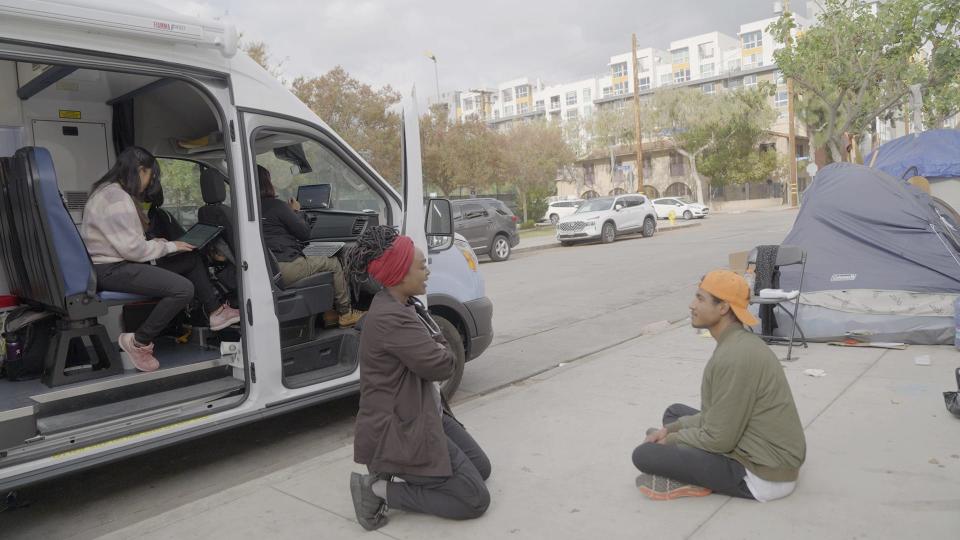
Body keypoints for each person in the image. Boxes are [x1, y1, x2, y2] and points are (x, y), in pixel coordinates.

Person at [345, 226, 491, 530]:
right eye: (421, 265)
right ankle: (376, 490)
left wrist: (437, 345)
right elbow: (442, 365)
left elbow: (438, 352)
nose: (427, 270)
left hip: (422, 413)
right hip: (400, 431)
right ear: (400, 274)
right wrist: (440, 345)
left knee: (481, 467)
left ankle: (397, 473)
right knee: (474, 498)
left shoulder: (404, 305)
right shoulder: (391, 317)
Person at [632, 269, 806, 502]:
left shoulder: (735, 356)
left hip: (764, 475)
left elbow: (719, 440)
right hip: (751, 442)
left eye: (700, 299)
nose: (692, 305)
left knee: (644, 455)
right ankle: (683, 455)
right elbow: (716, 417)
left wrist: (669, 441)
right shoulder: (736, 342)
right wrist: (671, 430)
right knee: (674, 414)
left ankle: (695, 480)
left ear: (723, 308)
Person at [80, 147, 241, 372]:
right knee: (183, 289)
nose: (149, 182)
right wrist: (168, 246)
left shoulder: (106, 191)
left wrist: (166, 246)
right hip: (112, 269)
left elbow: (130, 245)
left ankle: (216, 313)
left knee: (191, 258)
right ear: (140, 170)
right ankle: (138, 342)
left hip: (117, 263)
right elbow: (133, 250)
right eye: (150, 176)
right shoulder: (117, 198)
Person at [257, 165, 362, 327]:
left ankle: (329, 314)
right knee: (333, 262)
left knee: (317, 260)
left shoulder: (248, 210)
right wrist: (297, 212)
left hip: (265, 269)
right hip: (284, 268)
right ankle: (345, 313)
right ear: (266, 183)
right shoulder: (277, 206)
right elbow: (304, 233)